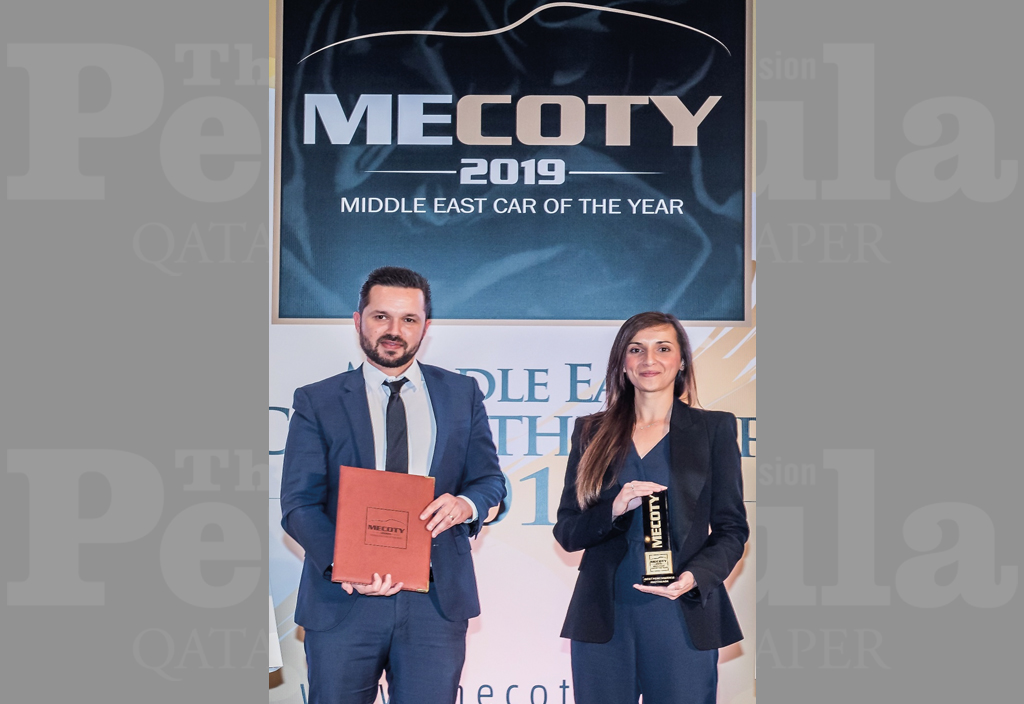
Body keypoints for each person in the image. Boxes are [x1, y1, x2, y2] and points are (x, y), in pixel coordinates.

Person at [280, 266, 506, 704]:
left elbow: (489, 479)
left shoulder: (462, 394)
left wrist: (467, 503)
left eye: (408, 320)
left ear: (426, 327)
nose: (394, 331)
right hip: (343, 599)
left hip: (435, 603)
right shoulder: (317, 400)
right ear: (357, 320)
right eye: (381, 316)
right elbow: (298, 506)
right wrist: (346, 565)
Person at [553, 312, 748, 704]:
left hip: (680, 612)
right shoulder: (591, 431)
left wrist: (695, 577)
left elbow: (732, 530)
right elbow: (568, 531)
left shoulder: (715, 429)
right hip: (605, 615)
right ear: (622, 363)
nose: (649, 360)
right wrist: (612, 508)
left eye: (663, 349)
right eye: (636, 350)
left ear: (681, 362)